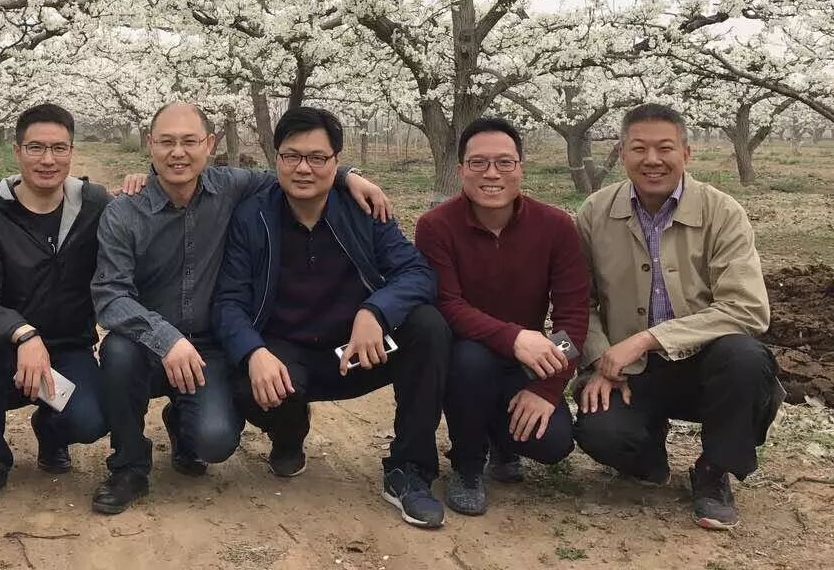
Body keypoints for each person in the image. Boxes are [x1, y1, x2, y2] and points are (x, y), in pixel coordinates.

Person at [89, 101, 393, 515]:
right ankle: (128, 467)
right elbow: (110, 295)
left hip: (210, 347)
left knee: (214, 442)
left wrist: (347, 175)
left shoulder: (232, 186)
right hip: (148, 343)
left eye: (190, 141)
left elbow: (294, 171)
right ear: (150, 144)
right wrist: (167, 339)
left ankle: (183, 423)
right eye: (166, 142)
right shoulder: (124, 211)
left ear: (210, 144)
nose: (178, 153)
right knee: (118, 352)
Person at [214, 107, 450, 529]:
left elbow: (417, 273)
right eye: (292, 156)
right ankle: (288, 434)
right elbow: (228, 301)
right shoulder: (252, 216)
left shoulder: (363, 209)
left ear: (336, 161)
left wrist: (376, 310)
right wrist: (253, 353)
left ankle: (409, 469)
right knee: (247, 381)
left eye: (317, 158)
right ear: (276, 159)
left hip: (358, 351)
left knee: (428, 326)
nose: (303, 168)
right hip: (288, 353)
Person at [574, 103, 783, 531]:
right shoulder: (594, 212)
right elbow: (580, 302)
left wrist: (648, 338)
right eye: (639, 149)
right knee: (601, 431)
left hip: (705, 366)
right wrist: (600, 361)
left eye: (665, 148)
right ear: (622, 153)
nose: (652, 160)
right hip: (629, 372)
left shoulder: (722, 212)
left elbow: (746, 307)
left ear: (687, 153)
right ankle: (648, 454)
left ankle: (713, 470)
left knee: (747, 360)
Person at [414, 116, 588, 517]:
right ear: (461, 170)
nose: (492, 174)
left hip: (527, 362)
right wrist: (513, 337)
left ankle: (502, 442)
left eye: (504, 162)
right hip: (465, 361)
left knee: (553, 443)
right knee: (470, 358)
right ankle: (467, 462)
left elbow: (573, 317)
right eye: (478, 163)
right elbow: (447, 304)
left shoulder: (556, 227)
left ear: (520, 168)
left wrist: (548, 388)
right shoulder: (436, 227)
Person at [0, 104, 110, 516]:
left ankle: (50, 429)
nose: (48, 159)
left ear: (71, 151)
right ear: (17, 151)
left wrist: (145, 181)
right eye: (36, 147)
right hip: (5, 351)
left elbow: (138, 225)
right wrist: (22, 333)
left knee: (91, 420)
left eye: (59, 148)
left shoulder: (94, 205)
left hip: (68, 348)